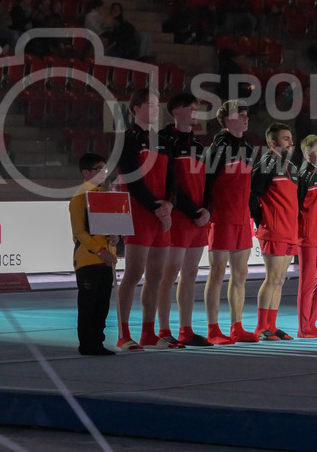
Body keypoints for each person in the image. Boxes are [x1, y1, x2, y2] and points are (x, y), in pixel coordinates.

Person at [114, 89, 175, 351]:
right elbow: (132, 179)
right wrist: (156, 207)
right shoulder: (126, 139)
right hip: (140, 213)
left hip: (161, 215)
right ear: (135, 108)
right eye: (149, 104)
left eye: (156, 105)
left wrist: (169, 203)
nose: (155, 109)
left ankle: (149, 332)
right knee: (133, 273)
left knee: (157, 275)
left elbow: (172, 178)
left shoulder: (162, 140)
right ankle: (123, 333)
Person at [156, 92, 213, 348]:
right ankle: (163, 329)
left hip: (198, 219)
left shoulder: (200, 146)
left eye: (196, 109)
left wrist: (207, 210)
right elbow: (171, 183)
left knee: (190, 273)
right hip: (179, 216)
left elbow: (208, 183)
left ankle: (185, 329)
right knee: (169, 273)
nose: (195, 113)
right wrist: (193, 211)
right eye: (191, 108)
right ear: (176, 111)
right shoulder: (163, 140)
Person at [202, 99, 260, 345]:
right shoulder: (216, 149)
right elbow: (205, 185)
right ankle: (213, 329)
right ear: (227, 120)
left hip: (241, 218)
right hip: (222, 218)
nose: (246, 118)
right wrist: (206, 211)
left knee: (241, 274)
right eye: (241, 115)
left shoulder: (247, 149)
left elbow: (250, 188)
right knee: (217, 273)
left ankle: (237, 326)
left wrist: (255, 216)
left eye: (247, 114)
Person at [250, 122, 299, 340]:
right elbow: (253, 194)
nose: (291, 142)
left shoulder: (290, 167)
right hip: (274, 230)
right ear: (273, 143)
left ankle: (272, 324)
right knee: (272, 279)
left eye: (290, 138)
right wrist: (263, 221)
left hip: (289, 231)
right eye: (285, 138)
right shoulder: (267, 164)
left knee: (280, 280)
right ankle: (261, 327)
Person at [68, 152, 119, 356]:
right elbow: (79, 233)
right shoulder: (80, 198)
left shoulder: (103, 195)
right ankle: (87, 343)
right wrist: (100, 251)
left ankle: (97, 340)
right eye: (99, 169)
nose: (103, 173)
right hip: (89, 259)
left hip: (105, 259)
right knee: (89, 303)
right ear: (86, 172)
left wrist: (115, 237)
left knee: (102, 304)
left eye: (105, 169)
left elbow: (109, 227)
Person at [295, 134, 317, 338]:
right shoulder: (303, 177)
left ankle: (312, 323)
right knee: (307, 283)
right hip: (308, 237)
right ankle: (303, 328)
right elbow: (296, 208)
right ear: (308, 155)